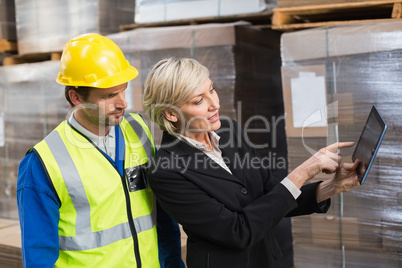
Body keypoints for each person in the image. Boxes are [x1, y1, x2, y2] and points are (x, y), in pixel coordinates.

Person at [143, 57, 361, 268]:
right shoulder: (167, 171)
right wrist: (303, 171)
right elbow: (237, 231)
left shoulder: (229, 131)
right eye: (199, 100)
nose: (215, 104)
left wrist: (332, 186)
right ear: (171, 114)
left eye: (211, 89)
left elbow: (271, 196)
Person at [16, 34, 184, 268]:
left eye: (123, 90)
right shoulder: (43, 163)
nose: (123, 103)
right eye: (109, 96)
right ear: (76, 97)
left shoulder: (138, 129)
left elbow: (163, 217)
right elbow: (38, 256)